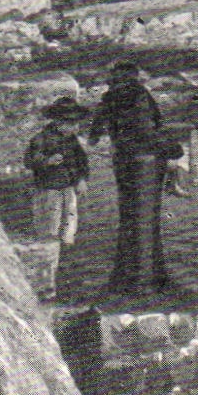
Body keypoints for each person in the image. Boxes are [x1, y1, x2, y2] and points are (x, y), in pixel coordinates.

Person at [88, 61, 181, 294]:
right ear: (135, 78)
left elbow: (95, 133)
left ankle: (126, 278)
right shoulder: (139, 96)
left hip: (124, 163)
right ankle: (146, 281)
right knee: (145, 221)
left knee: (131, 220)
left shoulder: (110, 98)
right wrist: (174, 148)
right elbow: (147, 132)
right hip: (146, 165)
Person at [24, 96, 89, 247]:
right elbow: (29, 160)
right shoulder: (41, 139)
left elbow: (81, 161)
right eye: (71, 124)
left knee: (70, 213)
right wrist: (47, 161)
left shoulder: (72, 141)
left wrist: (81, 179)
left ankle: (67, 242)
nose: (75, 128)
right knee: (51, 215)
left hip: (68, 184)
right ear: (58, 122)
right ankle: (49, 242)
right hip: (49, 186)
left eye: (77, 124)